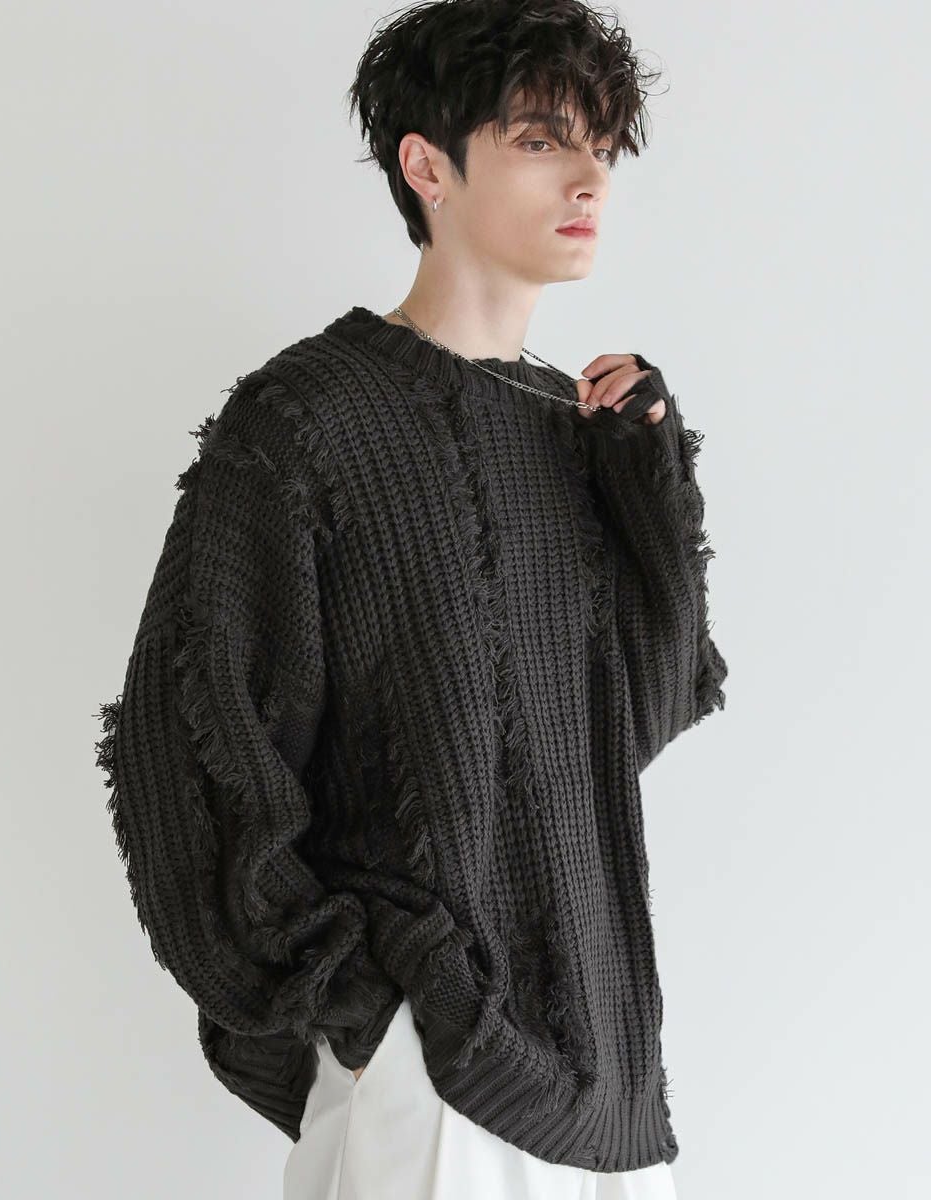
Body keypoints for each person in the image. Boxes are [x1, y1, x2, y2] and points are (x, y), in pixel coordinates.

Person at [94, 2, 728, 1197]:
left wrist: (644, 475)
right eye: (540, 140)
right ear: (427, 166)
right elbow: (184, 745)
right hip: (423, 1079)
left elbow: (631, 722)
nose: (589, 178)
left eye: (601, 146)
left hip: (604, 1079)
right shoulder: (307, 421)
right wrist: (358, 1000)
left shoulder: (578, 428)